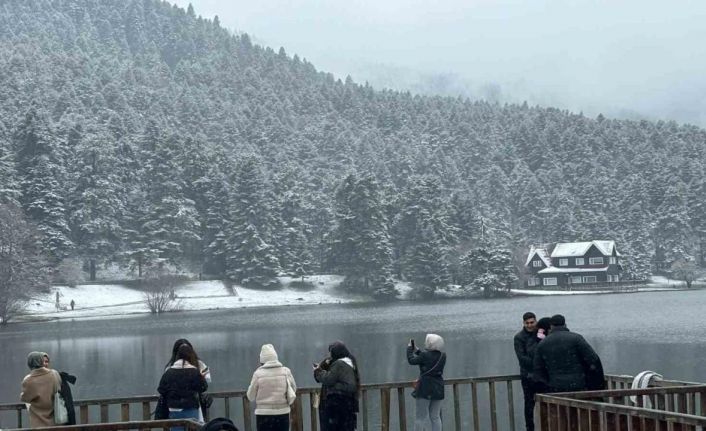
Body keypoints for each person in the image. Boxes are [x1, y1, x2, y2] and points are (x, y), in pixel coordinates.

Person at [533, 314, 603, 393]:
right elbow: (593, 359)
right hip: (578, 384)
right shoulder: (576, 338)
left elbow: (537, 368)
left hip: (555, 386)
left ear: (551, 326)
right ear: (565, 324)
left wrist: (545, 386)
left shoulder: (543, 343)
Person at [246, 344, 297, 431]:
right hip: (282, 413)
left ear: (262, 360)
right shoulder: (286, 371)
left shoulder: (258, 374)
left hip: (263, 415)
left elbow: (250, 396)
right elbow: (293, 389)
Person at [158, 344, 208, 430]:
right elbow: (203, 387)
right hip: (191, 408)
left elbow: (161, 389)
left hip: (174, 409)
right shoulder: (194, 371)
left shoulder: (169, 372)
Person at [313, 341, 360, 431]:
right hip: (348, 404)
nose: (329, 355)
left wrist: (318, 371)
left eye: (331, 352)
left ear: (336, 353)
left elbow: (329, 379)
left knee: (334, 427)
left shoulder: (339, 364)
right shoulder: (349, 361)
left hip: (338, 404)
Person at [165, 339, 212, 421]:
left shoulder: (199, 364)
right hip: (187, 407)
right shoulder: (171, 368)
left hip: (186, 406)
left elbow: (163, 387)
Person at [407, 334, 446, 431]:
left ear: (429, 343)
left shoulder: (424, 356)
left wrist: (409, 349)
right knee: (435, 417)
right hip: (438, 388)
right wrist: (417, 350)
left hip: (425, 388)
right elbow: (428, 358)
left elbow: (412, 360)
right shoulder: (443, 356)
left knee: (420, 418)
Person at [20, 352, 61, 428]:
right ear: (41, 361)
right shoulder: (54, 374)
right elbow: (58, 389)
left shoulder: (28, 380)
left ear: (29, 363)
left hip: (38, 420)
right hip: (55, 417)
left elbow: (25, 398)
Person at [514, 312, 539, 431]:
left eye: (532, 322)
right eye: (527, 323)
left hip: (542, 376)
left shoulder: (541, 334)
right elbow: (521, 358)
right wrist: (538, 364)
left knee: (546, 400)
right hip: (527, 375)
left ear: (536, 322)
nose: (530, 325)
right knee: (529, 403)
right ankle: (530, 428)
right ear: (523, 323)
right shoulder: (519, 337)